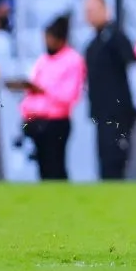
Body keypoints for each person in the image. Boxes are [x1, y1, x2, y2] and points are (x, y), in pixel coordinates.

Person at [14, 15, 85, 181]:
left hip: (56, 122)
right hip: (37, 121)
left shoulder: (73, 60)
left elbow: (70, 95)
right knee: (43, 167)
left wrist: (44, 90)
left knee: (56, 166)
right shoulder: (43, 60)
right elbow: (33, 90)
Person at [84, 0, 136, 180]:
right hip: (101, 112)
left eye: (92, 10)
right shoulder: (93, 43)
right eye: (86, 11)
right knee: (104, 158)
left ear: (105, 10)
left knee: (116, 158)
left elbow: (133, 64)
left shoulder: (116, 36)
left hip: (118, 111)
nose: (88, 15)